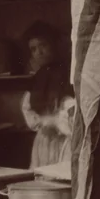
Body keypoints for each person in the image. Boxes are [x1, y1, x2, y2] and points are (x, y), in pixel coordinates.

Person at [20, 22, 76, 169]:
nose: (39, 52)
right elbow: (29, 111)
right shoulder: (37, 79)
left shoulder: (69, 74)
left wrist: (56, 122)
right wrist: (43, 122)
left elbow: (72, 109)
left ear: (54, 44)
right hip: (44, 142)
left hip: (65, 141)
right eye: (33, 49)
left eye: (43, 45)